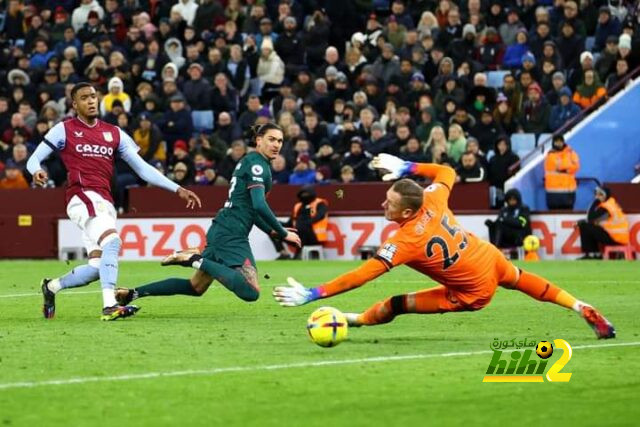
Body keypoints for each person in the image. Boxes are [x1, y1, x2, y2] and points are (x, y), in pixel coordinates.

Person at [273, 154, 615, 340]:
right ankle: (579, 306)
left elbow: (361, 275)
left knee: (396, 304)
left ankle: (356, 321)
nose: (383, 205)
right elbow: (447, 171)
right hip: (488, 258)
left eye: (388, 203)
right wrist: (407, 167)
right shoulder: (433, 198)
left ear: (406, 212)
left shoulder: (405, 241)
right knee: (526, 281)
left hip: (471, 290)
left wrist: (314, 293)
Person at [26, 83, 201, 321]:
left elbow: (143, 169)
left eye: (93, 97)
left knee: (96, 268)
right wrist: (36, 170)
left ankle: (52, 287)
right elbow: (33, 159)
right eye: (84, 98)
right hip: (82, 196)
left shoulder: (114, 133)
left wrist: (177, 188)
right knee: (112, 241)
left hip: (105, 202)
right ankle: (110, 306)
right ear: (74, 104)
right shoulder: (64, 129)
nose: (91, 101)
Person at [115, 123, 301, 306]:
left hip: (224, 229)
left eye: (280, 141)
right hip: (231, 233)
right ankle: (193, 259)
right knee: (250, 291)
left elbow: (253, 209)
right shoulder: (257, 165)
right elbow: (260, 205)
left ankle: (133, 293)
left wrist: (272, 230)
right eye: (271, 139)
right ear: (258, 140)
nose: (276, 144)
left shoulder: (253, 162)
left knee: (196, 286)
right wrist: (284, 233)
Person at [271, 186, 329, 260]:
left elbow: (320, 216)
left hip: (314, 236)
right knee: (273, 230)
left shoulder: (320, 203)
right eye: (303, 194)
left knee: (303, 226)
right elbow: (290, 223)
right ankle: (284, 253)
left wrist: (304, 223)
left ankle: (298, 254)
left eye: (307, 194)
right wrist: (276, 224)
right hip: (297, 235)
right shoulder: (298, 206)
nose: (305, 196)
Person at [577, 186, 629, 259]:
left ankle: (592, 255)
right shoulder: (611, 203)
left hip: (615, 239)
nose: (598, 197)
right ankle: (595, 254)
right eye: (597, 194)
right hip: (618, 238)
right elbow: (595, 220)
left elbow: (590, 218)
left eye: (601, 194)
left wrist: (595, 202)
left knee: (584, 225)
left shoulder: (607, 206)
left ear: (606, 195)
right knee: (587, 225)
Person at [544, 135, 580, 209]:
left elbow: (576, 166)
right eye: (556, 141)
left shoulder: (571, 153)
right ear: (553, 143)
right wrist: (567, 167)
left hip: (568, 191)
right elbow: (557, 166)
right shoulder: (550, 155)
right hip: (553, 192)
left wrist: (566, 169)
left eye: (560, 141)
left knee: (568, 215)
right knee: (553, 215)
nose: (559, 143)